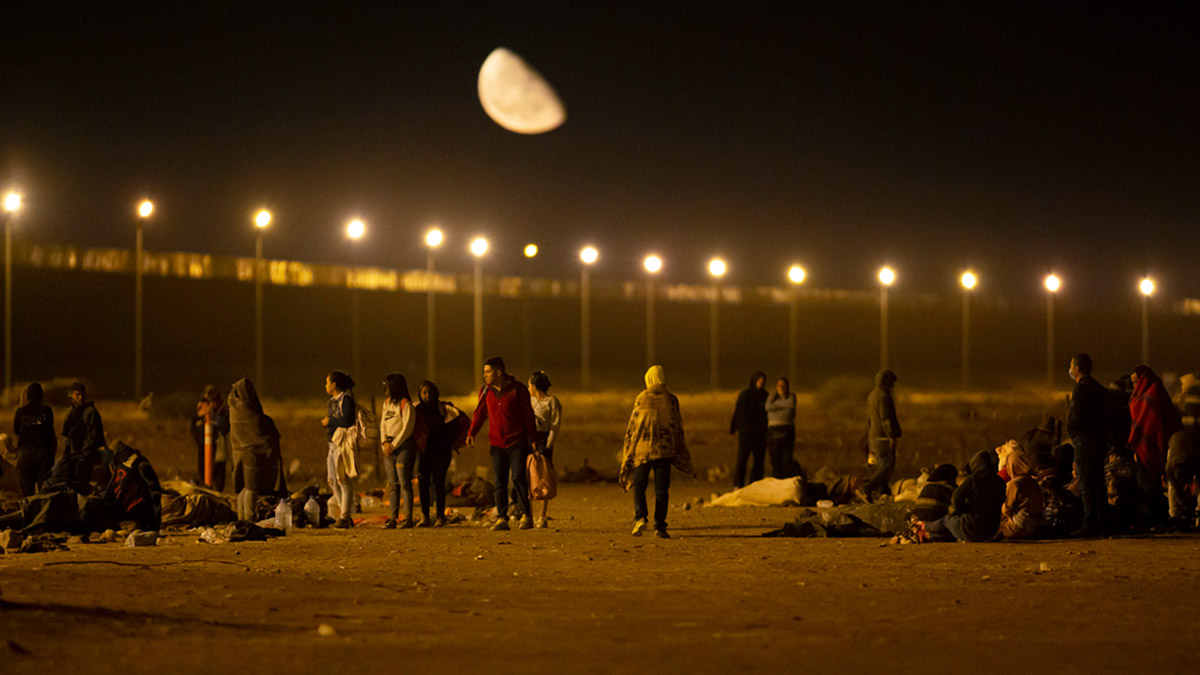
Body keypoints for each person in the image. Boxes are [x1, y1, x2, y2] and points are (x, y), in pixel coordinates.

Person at [619, 365, 694, 538]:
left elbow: (633, 426)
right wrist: (680, 450)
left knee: (639, 486)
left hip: (642, 452)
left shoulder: (641, 398)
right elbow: (677, 426)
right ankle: (660, 526)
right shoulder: (672, 400)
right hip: (664, 451)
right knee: (662, 490)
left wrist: (628, 451)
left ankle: (641, 517)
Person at [467, 356, 540, 531]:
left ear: (498, 372)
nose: (484, 375)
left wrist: (534, 439)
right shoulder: (485, 391)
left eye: (487, 372)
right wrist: (471, 433)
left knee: (518, 478)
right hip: (496, 444)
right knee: (499, 482)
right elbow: (480, 414)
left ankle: (525, 515)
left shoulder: (518, 390)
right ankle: (502, 518)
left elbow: (528, 416)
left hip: (517, 442)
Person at [228, 378, 286, 522]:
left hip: (239, 452)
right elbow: (259, 425)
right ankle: (249, 518)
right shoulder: (245, 408)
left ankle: (241, 517)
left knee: (244, 487)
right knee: (251, 487)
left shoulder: (233, 407)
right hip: (251, 452)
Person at [1067, 353, 1110, 536]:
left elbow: (1076, 418)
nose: (1069, 369)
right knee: (1098, 481)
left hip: (1085, 441)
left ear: (1077, 368)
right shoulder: (1098, 388)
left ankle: (1089, 522)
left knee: (1086, 483)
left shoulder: (1081, 389)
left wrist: (1072, 429)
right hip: (1099, 441)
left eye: (1071, 365)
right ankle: (1102, 521)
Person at [921, 450, 1005, 543]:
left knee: (945, 519)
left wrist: (963, 510)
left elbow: (956, 498)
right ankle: (932, 535)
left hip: (970, 530)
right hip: (991, 530)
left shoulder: (973, 480)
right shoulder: (1000, 482)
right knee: (948, 527)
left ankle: (924, 528)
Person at [415, 380, 468, 528]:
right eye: (424, 392)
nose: (427, 395)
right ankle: (425, 516)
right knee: (423, 484)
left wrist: (454, 443)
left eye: (430, 392)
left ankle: (440, 516)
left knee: (438, 484)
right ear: (419, 394)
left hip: (441, 452)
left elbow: (461, 424)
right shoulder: (415, 410)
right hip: (424, 452)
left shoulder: (445, 410)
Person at [1128, 365, 1182, 507]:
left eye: (1136, 381)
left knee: (1149, 483)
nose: (1134, 385)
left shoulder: (1154, 393)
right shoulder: (1144, 394)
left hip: (1151, 446)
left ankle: (1153, 513)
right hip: (1144, 446)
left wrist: (1138, 441)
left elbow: (1151, 423)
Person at [51, 381, 106, 494]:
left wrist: (82, 457)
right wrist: (68, 454)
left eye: (82, 395)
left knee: (80, 476)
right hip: (73, 454)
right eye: (77, 395)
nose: (80, 398)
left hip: (86, 455)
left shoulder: (89, 412)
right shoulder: (69, 413)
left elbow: (92, 438)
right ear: (70, 395)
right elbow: (67, 436)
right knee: (57, 471)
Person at [322, 370, 358, 528]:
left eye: (327, 382)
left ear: (334, 384)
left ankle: (345, 516)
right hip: (332, 444)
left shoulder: (347, 399)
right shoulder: (331, 401)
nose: (326, 385)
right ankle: (345, 513)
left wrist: (330, 421)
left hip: (342, 444)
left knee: (343, 480)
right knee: (332, 480)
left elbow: (347, 420)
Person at [379, 373, 416, 529]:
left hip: (403, 447)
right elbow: (383, 424)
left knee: (404, 483)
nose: (385, 387)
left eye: (387, 384)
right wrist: (384, 443)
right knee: (393, 484)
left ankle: (408, 518)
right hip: (389, 447)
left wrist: (393, 444)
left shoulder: (406, 404)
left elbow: (407, 428)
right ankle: (393, 518)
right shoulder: (387, 403)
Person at [528, 370, 562, 529]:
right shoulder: (529, 401)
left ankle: (541, 516)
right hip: (529, 439)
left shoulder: (552, 402)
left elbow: (554, 426)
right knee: (528, 475)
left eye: (529, 385)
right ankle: (527, 515)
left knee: (543, 477)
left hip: (543, 440)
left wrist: (547, 446)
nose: (528, 388)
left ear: (535, 386)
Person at [12, 382, 56, 497]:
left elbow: (17, 431)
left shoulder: (20, 412)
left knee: (27, 490)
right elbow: (49, 430)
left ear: (28, 396)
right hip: (42, 451)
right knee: (44, 489)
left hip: (25, 452)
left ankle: (29, 511)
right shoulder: (47, 411)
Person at [865, 369, 901, 500]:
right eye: (891, 383)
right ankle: (867, 488)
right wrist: (891, 436)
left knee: (878, 466)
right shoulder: (884, 397)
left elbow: (869, 418)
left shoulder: (872, 395)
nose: (892, 386)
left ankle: (884, 493)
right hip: (883, 438)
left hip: (873, 437)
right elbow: (885, 418)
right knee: (887, 466)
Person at [729, 371, 768, 488]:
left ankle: (755, 485)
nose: (761, 382)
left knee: (759, 461)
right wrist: (734, 427)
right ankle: (738, 484)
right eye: (759, 380)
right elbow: (739, 412)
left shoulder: (765, 396)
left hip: (760, 435)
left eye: (763, 380)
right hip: (746, 434)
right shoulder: (745, 394)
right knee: (742, 460)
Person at [999, 445, 1044, 540]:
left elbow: (1007, 509)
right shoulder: (1032, 481)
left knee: (992, 529)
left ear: (1012, 465)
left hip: (1021, 524)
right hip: (1036, 523)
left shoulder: (1015, 483)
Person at [1165, 414, 1200, 531]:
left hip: (1193, 442)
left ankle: (1175, 513)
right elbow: (1177, 489)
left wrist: (1189, 509)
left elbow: (1177, 489)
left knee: (1172, 487)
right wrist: (1188, 508)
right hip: (1176, 442)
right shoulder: (1169, 469)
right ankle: (1175, 514)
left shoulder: (1197, 461)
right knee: (1172, 486)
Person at [192, 385, 230, 491]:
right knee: (203, 470)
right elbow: (195, 424)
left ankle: (216, 489)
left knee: (218, 472)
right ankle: (205, 487)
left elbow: (224, 427)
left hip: (217, 445)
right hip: (203, 444)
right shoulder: (202, 408)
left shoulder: (223, 410)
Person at [765, 376, 799, 479]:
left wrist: (775, 406)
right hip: (773, 430)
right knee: (775, 460)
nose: (781, 388)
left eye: (783, 385)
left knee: (786, 460)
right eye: (779, 385)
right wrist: (783, 407)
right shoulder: (771, 396)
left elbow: (790, 405)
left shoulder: (791, 396)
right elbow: (767, 406)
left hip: (787, 429)